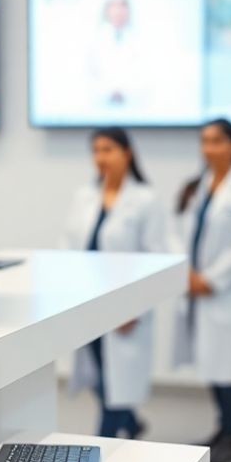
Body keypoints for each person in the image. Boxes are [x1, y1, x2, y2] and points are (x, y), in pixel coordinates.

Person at [63, 128, 165, 439]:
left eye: (108, 149)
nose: (101, 157)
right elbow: (67, 247)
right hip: (90, 304)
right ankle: (131, 423)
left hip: (123, 309)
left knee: (114, 383)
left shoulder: (146, 200)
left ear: (127, 153)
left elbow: (155, 258)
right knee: (98, 377)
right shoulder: (85, 196)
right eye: (96, 151)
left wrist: (135, 307)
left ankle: (100, 448)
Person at [172, 118, 231, 462]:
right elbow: (181, 233)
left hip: (224, 290)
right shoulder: (200, 186)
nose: (209, 148)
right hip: (195, 286)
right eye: (204, 141)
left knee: (228, 367)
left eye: (217, 141)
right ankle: (220, 430)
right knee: (211, 362)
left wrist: (211, 279)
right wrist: (189, 275)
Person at [84, 0, 156, 109]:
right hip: (101, 110)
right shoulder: (93, 42)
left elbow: (146, 78)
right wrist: (108, 92)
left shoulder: (141, 41)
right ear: (106, 10)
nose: (118, 10)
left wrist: (125, 93)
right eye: (113, 5)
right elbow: (89, 78)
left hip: (133, 109)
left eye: (122, 5)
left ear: (128, 10)